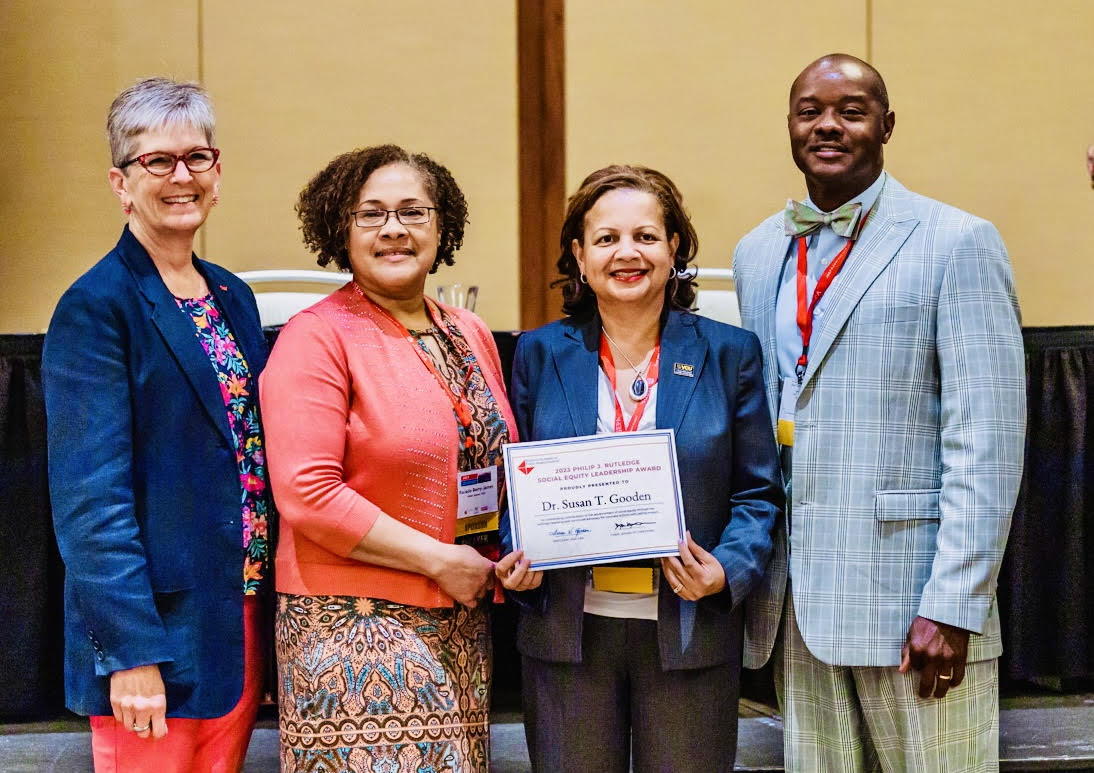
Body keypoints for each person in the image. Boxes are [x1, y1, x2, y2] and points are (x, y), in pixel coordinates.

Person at [734, 54, 1026, 771]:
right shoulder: (757, 250)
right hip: (797, 608)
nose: (828, 125)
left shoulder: (957, 241)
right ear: (790, 125)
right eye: (809, 110)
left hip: (914, 605)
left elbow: (986, 441)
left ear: (887, 125)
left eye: (852, 110)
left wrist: (955, 602)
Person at [498, 164, 783, 772]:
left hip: (687, 626)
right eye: (606, 239)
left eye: (646, 237)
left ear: (674, 248)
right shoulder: (538, 353)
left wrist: (725, 571)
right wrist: (514, 554)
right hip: (568, 631)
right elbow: (509, 487)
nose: (626, 253)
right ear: (579, 255)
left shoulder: (730, 354)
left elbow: (759, 493)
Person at [259, 144, 520, 773]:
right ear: (339, 230)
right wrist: (441, 561)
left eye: (412, 212)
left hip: (458, 620)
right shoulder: (316, 337)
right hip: (351, 634)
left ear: (441, 225)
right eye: (371, 214)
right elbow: (308, 494)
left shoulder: (467, 330)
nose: (394, 230)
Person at [41, 77, 270, 772]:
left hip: (238, 616)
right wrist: (131, 651)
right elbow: (90, 503)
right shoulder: (97, 306)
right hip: (155, 636)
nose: (182, 176)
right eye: (158, 161)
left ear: (218, 172)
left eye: (197, 158)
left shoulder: (233, 295)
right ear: (120, 180)